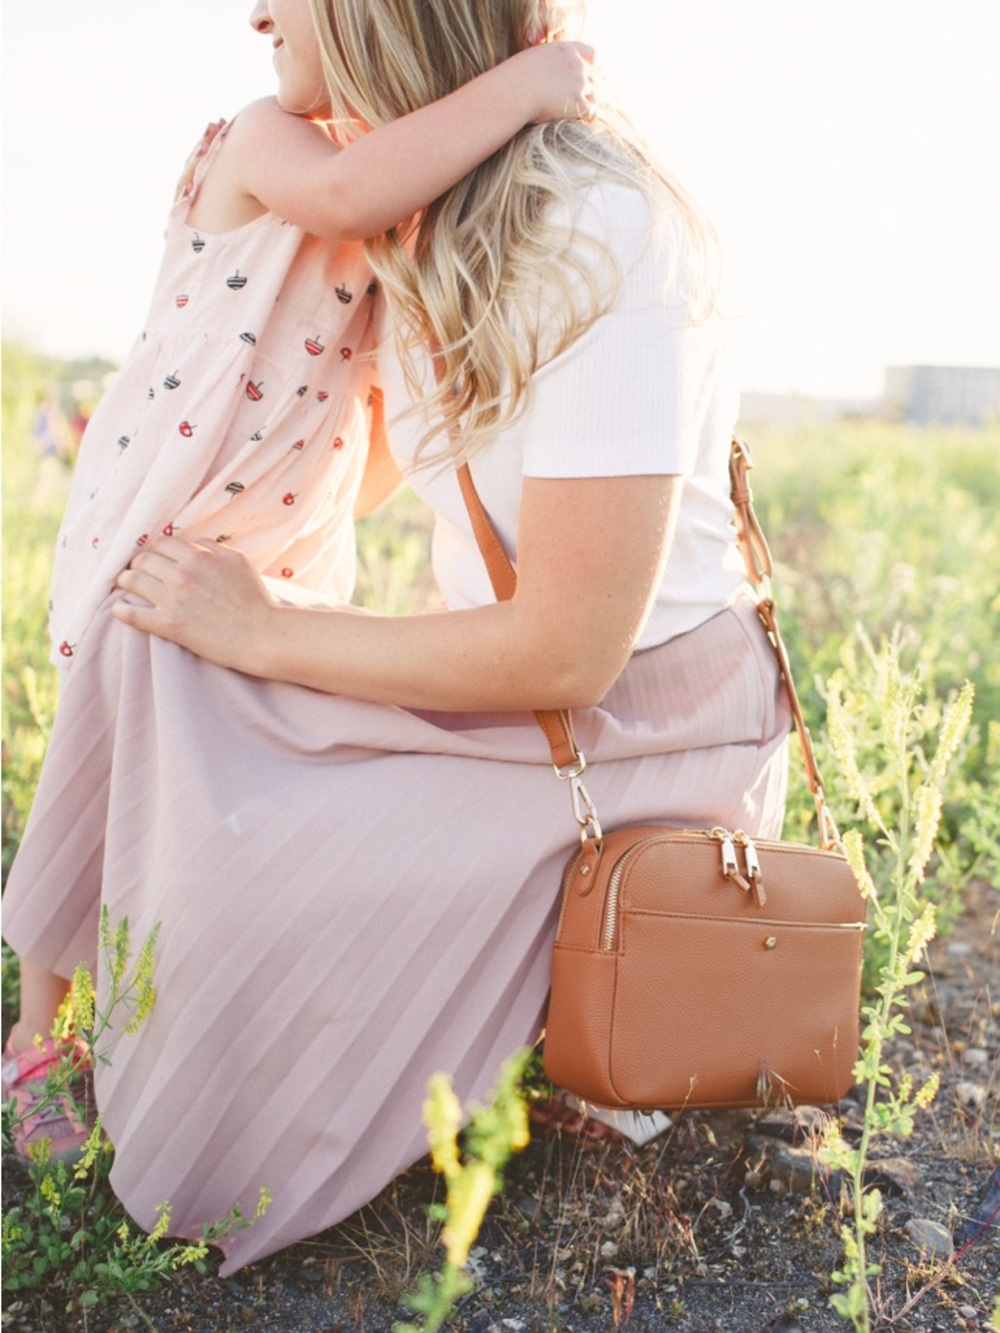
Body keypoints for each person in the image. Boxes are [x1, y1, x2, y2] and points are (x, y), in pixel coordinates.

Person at [3, 0, 791, 1277]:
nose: (255, 11)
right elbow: (368, 466)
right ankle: (49, 1025)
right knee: (151, 640)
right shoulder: (413, 220)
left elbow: (570, 656)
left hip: (632, 723)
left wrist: (269, 634)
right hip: (497, 689)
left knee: (236, 905)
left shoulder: (601, 224)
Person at [2, 0, 593, 1146]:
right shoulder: (259, 142)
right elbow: (344, 195)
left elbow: (376, 447)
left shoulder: (393, 209)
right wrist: (525, 88)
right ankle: (39, 1041)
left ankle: (185, 1017)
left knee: (213, 806)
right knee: (101, 780)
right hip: (164, 528)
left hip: (272, 550)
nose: (258, 13)